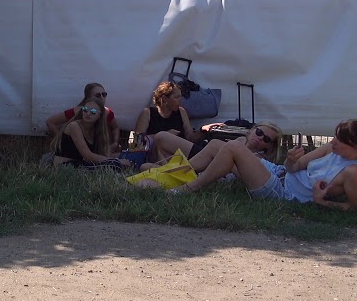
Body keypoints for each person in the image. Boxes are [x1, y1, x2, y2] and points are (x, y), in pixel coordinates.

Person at [178, 120, 357, 210]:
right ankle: (171, 175)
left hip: (282, 193)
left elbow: (352, 208)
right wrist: (291, 160)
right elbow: (294, 167)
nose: (332, 141)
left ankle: (187, 189)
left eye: (339, 139)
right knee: (218, 145)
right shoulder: (330, 149)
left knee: (233, 147)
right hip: (280, 174)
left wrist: (321, 202)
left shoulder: (352, 172)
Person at [145, 121, 282, 173]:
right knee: (161, 137)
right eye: (259, 132)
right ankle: (171, 172)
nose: (259, 137)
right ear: (252, 129)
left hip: (210, 169)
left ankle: (171, 173)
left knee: (145, 167)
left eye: (266, 139)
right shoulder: (240, 139)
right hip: (203, 156)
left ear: (269, 147)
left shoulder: (258, 161)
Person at [50, 98, 131, 170]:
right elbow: (88, 156)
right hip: (65, 165)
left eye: (93, 112)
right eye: (85, 109)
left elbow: (101, 154)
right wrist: (117, 161)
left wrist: (123, 157)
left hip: (80, 163)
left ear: (100, 115)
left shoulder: (96, 129)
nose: (88, 113)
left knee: (122, 160)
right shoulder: (74, 126)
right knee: (114, 165)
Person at [46, 83, 121, 152]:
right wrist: (60, 140)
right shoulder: (78, 111)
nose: (102, 97)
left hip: (98, 149)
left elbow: (115, 128)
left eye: (104, 94)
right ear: (89, 97)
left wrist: (115, 142)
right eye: (98, 95)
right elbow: (50, 122)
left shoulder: (108, 112)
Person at [134, 81, 197, 160]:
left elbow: (190, 137)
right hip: (155, 155)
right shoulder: (148, 113)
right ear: (165, 99)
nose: (180, 100)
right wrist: (166, 135)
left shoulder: (181, 112)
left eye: (180, 96)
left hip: (178, 152)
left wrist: (202, 131)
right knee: (161, 143)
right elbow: (136, 142)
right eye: (176, 97)